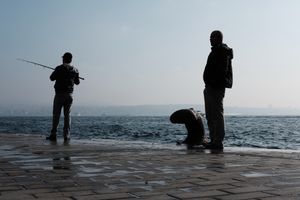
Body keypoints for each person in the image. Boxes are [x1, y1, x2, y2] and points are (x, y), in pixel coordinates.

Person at [203, 30, 233, 150]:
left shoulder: (222, 52)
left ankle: (217, 141)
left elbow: (222, 70)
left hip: (216, 87)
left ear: (219, 38)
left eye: (213, 37)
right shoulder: (215, 51)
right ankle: (213, 140)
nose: (210, 39)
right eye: (210, 37)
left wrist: (213, 82)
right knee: (210, 115)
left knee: (216, 115)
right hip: (210, 87)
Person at [46, 52, 80, 143]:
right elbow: (77, 82)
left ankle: (53, 135)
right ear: (71, 60)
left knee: (56, 115)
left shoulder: (59, 68)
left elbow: (51, 78)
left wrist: (57, 72)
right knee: (67, 115)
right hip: (69, 95)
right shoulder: (75, 70)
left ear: (63, 59)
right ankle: (67, 135)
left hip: (59, 94)